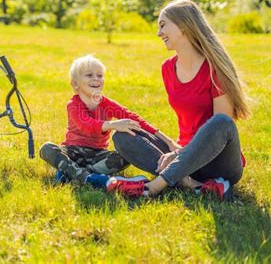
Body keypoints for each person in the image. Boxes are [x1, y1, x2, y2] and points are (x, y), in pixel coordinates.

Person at [113, 0, 251, 201]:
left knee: (221, 122)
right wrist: (175, 150)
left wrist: (178, 156)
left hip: (218, 162)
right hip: (183, 155)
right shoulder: (167, 69)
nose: (159, 33)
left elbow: (222, 128)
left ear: (184, 25)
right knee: (123, 135)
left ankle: (156, 185)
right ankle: (191, 184)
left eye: (163, 25)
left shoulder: (215, 68)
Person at [39, 55, 173, 197]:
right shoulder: (74, 105)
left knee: (126, 155)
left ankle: (72, 174)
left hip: (98, 154)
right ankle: (89, 178)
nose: (96, 79)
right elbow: (86, 125)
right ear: (75, 84)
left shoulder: (106, 103)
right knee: (47, 148)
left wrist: (168, 141)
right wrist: (113, 124)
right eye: (89, 75)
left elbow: (135, 119)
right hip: (73, 152)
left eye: (100, 75)